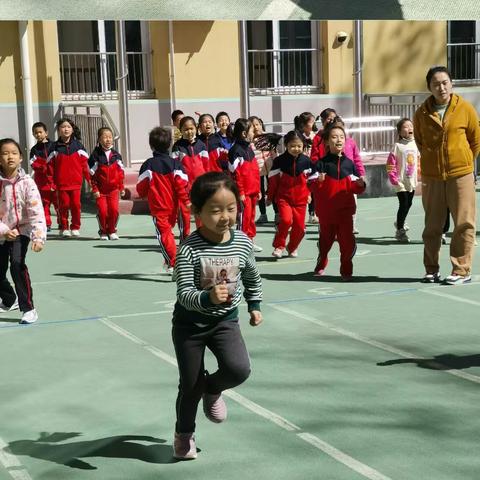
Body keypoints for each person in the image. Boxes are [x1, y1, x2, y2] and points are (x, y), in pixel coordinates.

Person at [171, 171, 262, 460]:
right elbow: (184, 293)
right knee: (189, 385)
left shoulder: (242, 242)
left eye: (231, 208)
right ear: (197, 211)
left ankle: (212, 390)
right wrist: (207, 297)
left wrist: (254, 303)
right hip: (190, 326)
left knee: (239, 369)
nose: (225, 216)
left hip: (225, 320)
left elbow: (252, 274)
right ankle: (184, 435)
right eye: (216, 210)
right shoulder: (189, 248)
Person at [413, 65, 480, 285]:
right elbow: (420, 142)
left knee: (463, 223)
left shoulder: (465, 109)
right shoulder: (421, 113)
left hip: (460, 174)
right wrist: (434, 162)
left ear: (451, 84)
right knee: (432, 226)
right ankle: (431, 269)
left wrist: (463, 160)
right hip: (433, 177)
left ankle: (461, 270)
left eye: (444, 82)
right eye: (435, 84)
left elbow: (475, 140)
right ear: (429, 88)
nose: (441, 87)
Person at [310, 125, 366, 280]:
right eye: (334, 137)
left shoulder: (349, 164)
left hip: (345, 213)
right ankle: (322, 261)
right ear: (327, 142)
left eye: (341, 136)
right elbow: (310, 184)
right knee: (325, 243)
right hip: (327, 214)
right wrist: (319, 182)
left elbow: (355, 187)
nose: (339, 139)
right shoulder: (320, 164)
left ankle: (346, 270)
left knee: (347, 244)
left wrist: (361, 185)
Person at [0, 138, 46, 324]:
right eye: (4, 153)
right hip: (2, 232)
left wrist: (38, 237)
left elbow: (36, 211)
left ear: (20, 158)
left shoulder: (27, 182)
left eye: (14, 153)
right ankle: (10, 299)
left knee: (17, 264)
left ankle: (29, 308)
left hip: (23, 231)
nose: (10, 157)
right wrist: (3, 230)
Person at [137, 127, 190, 275]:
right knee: (169, 234)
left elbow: (141, 187)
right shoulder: (176, 164)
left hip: (158, 207)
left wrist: (143, 194)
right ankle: (170, 261)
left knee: (164, 235)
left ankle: (174, 263)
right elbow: (182, 185)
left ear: (151, 146)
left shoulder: (148, 165)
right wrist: (186, 201)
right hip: (173, 206)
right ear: (169, 145)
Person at [267, 131, 313, 258]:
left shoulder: (306, 162)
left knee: (300, 227)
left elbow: (310, 182)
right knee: (286, 221)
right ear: (286, 145)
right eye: (292, 146)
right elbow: (273, 181)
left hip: (301, 200)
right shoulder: (279, 161)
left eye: (299, 146)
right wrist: (270, 197)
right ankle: (279, 246)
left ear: (303, 146)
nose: (296, 149)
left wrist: (309, 194)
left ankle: (292, 247)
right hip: (284, 198)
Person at [47, 118, 90, 238]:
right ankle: (64, 227)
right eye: (63, 127)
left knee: (76, 205)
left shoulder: (79, 146)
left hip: (76, 183)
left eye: (68, 127)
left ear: (72, 129)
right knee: (63, 206)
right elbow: (50, 168)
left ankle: (75, 227)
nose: (66, 129)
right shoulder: (54, 147)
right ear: (59, 130)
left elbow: (85, 166)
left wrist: (89, 181)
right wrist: (51, 183)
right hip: (61, 184)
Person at [228, 118, 263, 252]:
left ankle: (249, 241)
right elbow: (236, 175)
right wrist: (240, 192)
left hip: (253, 191)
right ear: (244, 133)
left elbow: (254, 171)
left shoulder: (249, 148)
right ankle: (240, 244)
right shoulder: (235, 151)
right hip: (244, 194)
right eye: (252, 131)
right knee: (244, 219)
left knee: (251, 218)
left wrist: (258, 189)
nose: (254, 133)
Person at [171, 116, 208, 240]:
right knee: (184, 214)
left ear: (196, 128)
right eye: (185, 129)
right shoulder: (177, 147)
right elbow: (174, 169)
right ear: (180, 130)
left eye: (191, 128)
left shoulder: (202, 145)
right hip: (184, 187)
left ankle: (202, 237)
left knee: (201, 213)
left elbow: (206, 166)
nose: (189, 131)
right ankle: (184, 238)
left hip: (200, 186)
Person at [386, 118, 420, 242]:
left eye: (411, 126)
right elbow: (390, 164)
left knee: (409, 203)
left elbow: (419, 161)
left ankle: (399, 221)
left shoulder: (416, 144)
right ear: (400, 132)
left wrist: (420, 174)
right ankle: (400, 230)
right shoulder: (397, 146)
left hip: (411, 180)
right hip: (400, 181)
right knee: (404, 203)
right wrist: (394, 178)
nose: (409, 128)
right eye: (405, 127)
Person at [88, 127, 125, 240]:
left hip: (113, 190)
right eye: (105, 137)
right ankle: (103, 231)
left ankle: (112, 230)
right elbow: (92, 175)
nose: (108, 139)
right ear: (99, 140)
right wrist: (95, 189)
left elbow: (120, 174)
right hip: (101, 191)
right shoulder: (95, 156)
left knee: (114, 210)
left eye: (110, 137)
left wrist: (121, 187)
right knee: (103, 211)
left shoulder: (116, 156)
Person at [249, 115, 278, 224]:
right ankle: (263, 214)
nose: (256, 127)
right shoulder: (249, 140)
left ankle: (277, 213)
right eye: (253, 126)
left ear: (261, 125)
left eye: (257, 124)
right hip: (258, 170)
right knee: (259, 191)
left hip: (271, 168)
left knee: (273, 190)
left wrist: (276, 164)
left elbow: (274, 152)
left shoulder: (268, 137)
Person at [29, 122, 57, 232]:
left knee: (58, 203)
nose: (38, 134)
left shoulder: (54, 146)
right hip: (42, 181)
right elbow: (33, 164)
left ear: (46, 133)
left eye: (40, 132)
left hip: (55, 180)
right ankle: (47, 223)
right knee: (44, 203)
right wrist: (44, 167)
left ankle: (62, 223)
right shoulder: (34, 150)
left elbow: (58, 162)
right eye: (36, 133)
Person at [294, 112, 318, 224]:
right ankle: (298, 216)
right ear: (303, 125)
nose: (313, 124)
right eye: (311, 122)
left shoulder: (315, 136)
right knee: (302, 190)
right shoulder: (298, 137)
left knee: (312, 190)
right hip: (302, 167)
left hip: (313, 166)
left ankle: (312, 214)